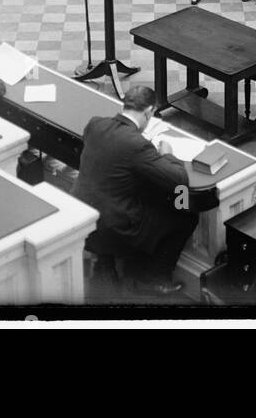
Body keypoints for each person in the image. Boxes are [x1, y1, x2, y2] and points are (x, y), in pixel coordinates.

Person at [71, 84, 199, 296]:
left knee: (121, 198)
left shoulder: (95, 124)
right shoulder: (137, 145)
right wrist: (168, 154)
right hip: (111, 229)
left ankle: (105, 262)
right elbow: (179, 180)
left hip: (82, 216)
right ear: (149, 112)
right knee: (186, 215)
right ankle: (154, 278)